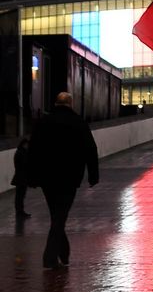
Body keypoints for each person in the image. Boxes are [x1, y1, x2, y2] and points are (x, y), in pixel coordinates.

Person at [27, 92, 99, 269]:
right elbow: (91, 150)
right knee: (60, 216)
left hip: (47, 178)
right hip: (69, 177)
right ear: (70, 104)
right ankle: (49, 258)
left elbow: (33, 150)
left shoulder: (43, 122)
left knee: (56, 216)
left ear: (55, 103)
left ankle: (64, 253)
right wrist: (93, 176)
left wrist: (31, 175)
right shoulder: (78, 123)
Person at [11, 137, 31, 219]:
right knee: (20, 196)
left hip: (20, 178)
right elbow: (24, 165)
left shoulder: (20, 152)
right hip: (21, 178)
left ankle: (20, 211)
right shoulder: (21, 153)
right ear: (24, 144)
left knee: (20, 196)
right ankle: (20, 212)